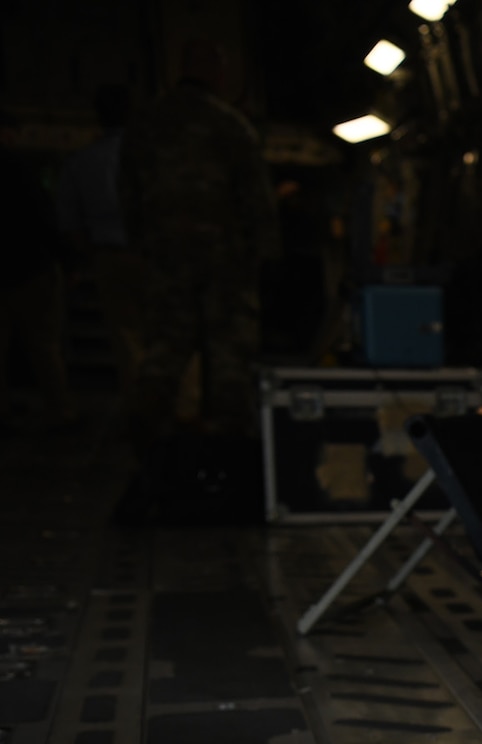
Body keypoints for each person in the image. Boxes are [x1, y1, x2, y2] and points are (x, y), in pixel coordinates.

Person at [118, 39, 278, 449]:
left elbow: (127, 192)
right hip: (224, 257)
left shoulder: (146, 124)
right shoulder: (229, 125)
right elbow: (256, 196)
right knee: (229, 347)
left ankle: (148, 428)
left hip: (164, 254)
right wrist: (265, 253)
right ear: (216, 72)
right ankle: (229, 435)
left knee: (166, 345)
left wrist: (140, 245)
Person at [57, 85, 149, 400]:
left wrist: (93, 252)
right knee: (172, 333)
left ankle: (141, 408)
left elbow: (70, 222)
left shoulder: (81, 162)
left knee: (126, 338)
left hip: (111, 256)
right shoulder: (153, 155)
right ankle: (182, 409)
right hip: (157, 253)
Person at [0, 112, 79, 432]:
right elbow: (44, 217)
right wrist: (66, 260)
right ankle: (59, 410)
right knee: (45, 345)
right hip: (32, 268)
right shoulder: (20, 169)